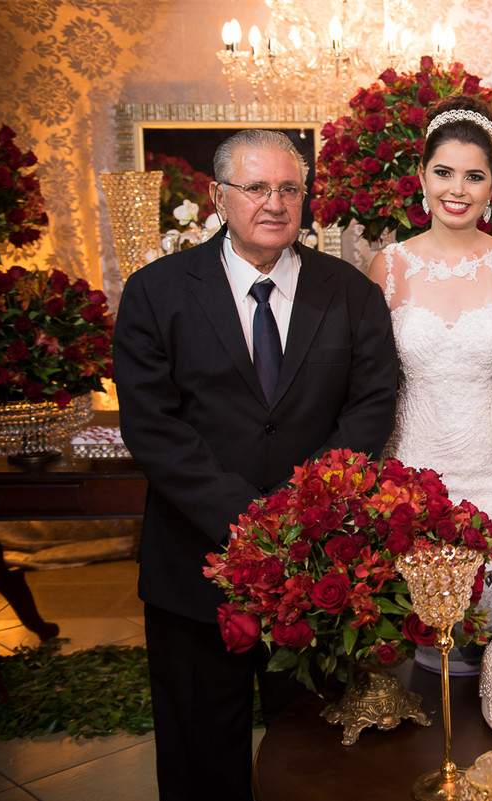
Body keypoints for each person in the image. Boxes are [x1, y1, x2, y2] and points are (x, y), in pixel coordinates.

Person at [114, 129, 398, 801]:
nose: (275, 203)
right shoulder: (156, 292)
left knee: (317, 755)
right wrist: (249, 522)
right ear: (218, 196)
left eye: (290, 188)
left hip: (318, 571)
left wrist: (298, 518)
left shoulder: (351, 294)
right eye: (256, 188)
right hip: (194, 567)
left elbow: (371, 406)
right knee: (199, 758)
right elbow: (153, 427)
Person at [368, 95, 492, 566]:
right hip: (412, 475)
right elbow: (367, 378)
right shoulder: (388, 266)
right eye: (443, 173)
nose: (456, 190)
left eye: (474, 176)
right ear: (422, 176)